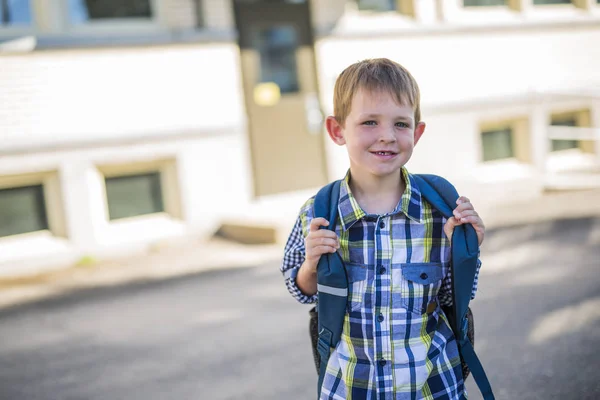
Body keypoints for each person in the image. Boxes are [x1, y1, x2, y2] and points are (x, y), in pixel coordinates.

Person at [280, 58, 486, 399]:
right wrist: (311, 264)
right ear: (337, 131)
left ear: (417, 133)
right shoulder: (319, 212)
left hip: (431, 386)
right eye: (370, 122)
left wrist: (466, 252)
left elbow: (453, 297)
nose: (387, 136)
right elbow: (301, 289)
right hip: (351, 388)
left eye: (401, 124)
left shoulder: (440, 211)